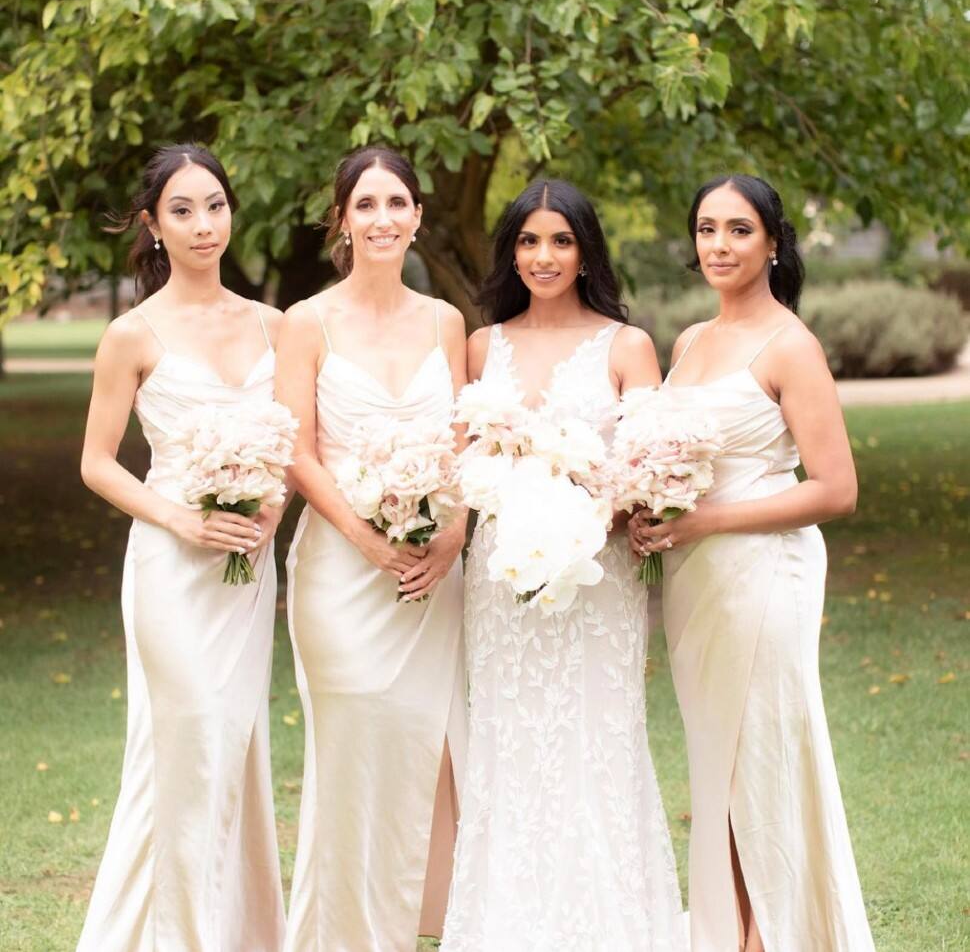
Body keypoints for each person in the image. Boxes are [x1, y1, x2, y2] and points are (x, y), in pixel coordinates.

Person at [441, 180, 688, 952]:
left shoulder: (627, 344)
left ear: (586, 251)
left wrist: (589, 521)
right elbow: (462, 465)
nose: (542, 257)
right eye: (527, 241)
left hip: (595, 575)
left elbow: (651, 463)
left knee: (595, 738)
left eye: (559, 241)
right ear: (510, 251)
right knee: (510, 740)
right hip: (499, 578)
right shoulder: (485, 345)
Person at [630, 173, 875, 952]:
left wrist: (709, 518)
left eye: (739, 229)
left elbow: (837, 488)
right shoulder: (691, 342)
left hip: (765, 575)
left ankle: (775, 932)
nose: (720, 245)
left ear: (772, 242)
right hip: (695, 579)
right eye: (707, 229)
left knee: (762, 752)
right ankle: (730, 925)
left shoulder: (791, 346)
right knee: (716, 761)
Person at [77, 144, 285, 951]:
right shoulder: (130, 335)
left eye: (216, 206)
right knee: (185, 737)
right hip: (171, 566)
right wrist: (181, 518)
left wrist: (273, 504)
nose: (204, 225)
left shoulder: (274, 324)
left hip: (247, 568)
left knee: (231, 743)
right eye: (184, 210)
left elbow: (296, 445)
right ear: (153, 226)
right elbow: (96, 463)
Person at [276, 146, 468, 951]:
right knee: (351, 747)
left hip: (431, 574)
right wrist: (363, 537)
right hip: (339, 573)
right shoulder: (306, 321)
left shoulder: (447, 321)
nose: (383, 218)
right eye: (367, 205)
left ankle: (423, 924)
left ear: (418, 217)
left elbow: (463, 444)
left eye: (397, 203)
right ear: (343, 220)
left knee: (423, 746)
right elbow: (296, 451)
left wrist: (453, 533)